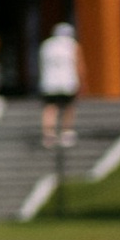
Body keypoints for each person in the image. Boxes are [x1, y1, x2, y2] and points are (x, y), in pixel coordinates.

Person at [38, 16, 82, 150]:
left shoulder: (46, 45)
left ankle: (48, 134)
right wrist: (81, 80)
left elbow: (41, 65)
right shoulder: (72, 45)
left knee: (50, 108)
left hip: (49, 82)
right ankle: (66, 132)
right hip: (67, 81)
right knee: (68, 107)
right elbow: (79, 64)